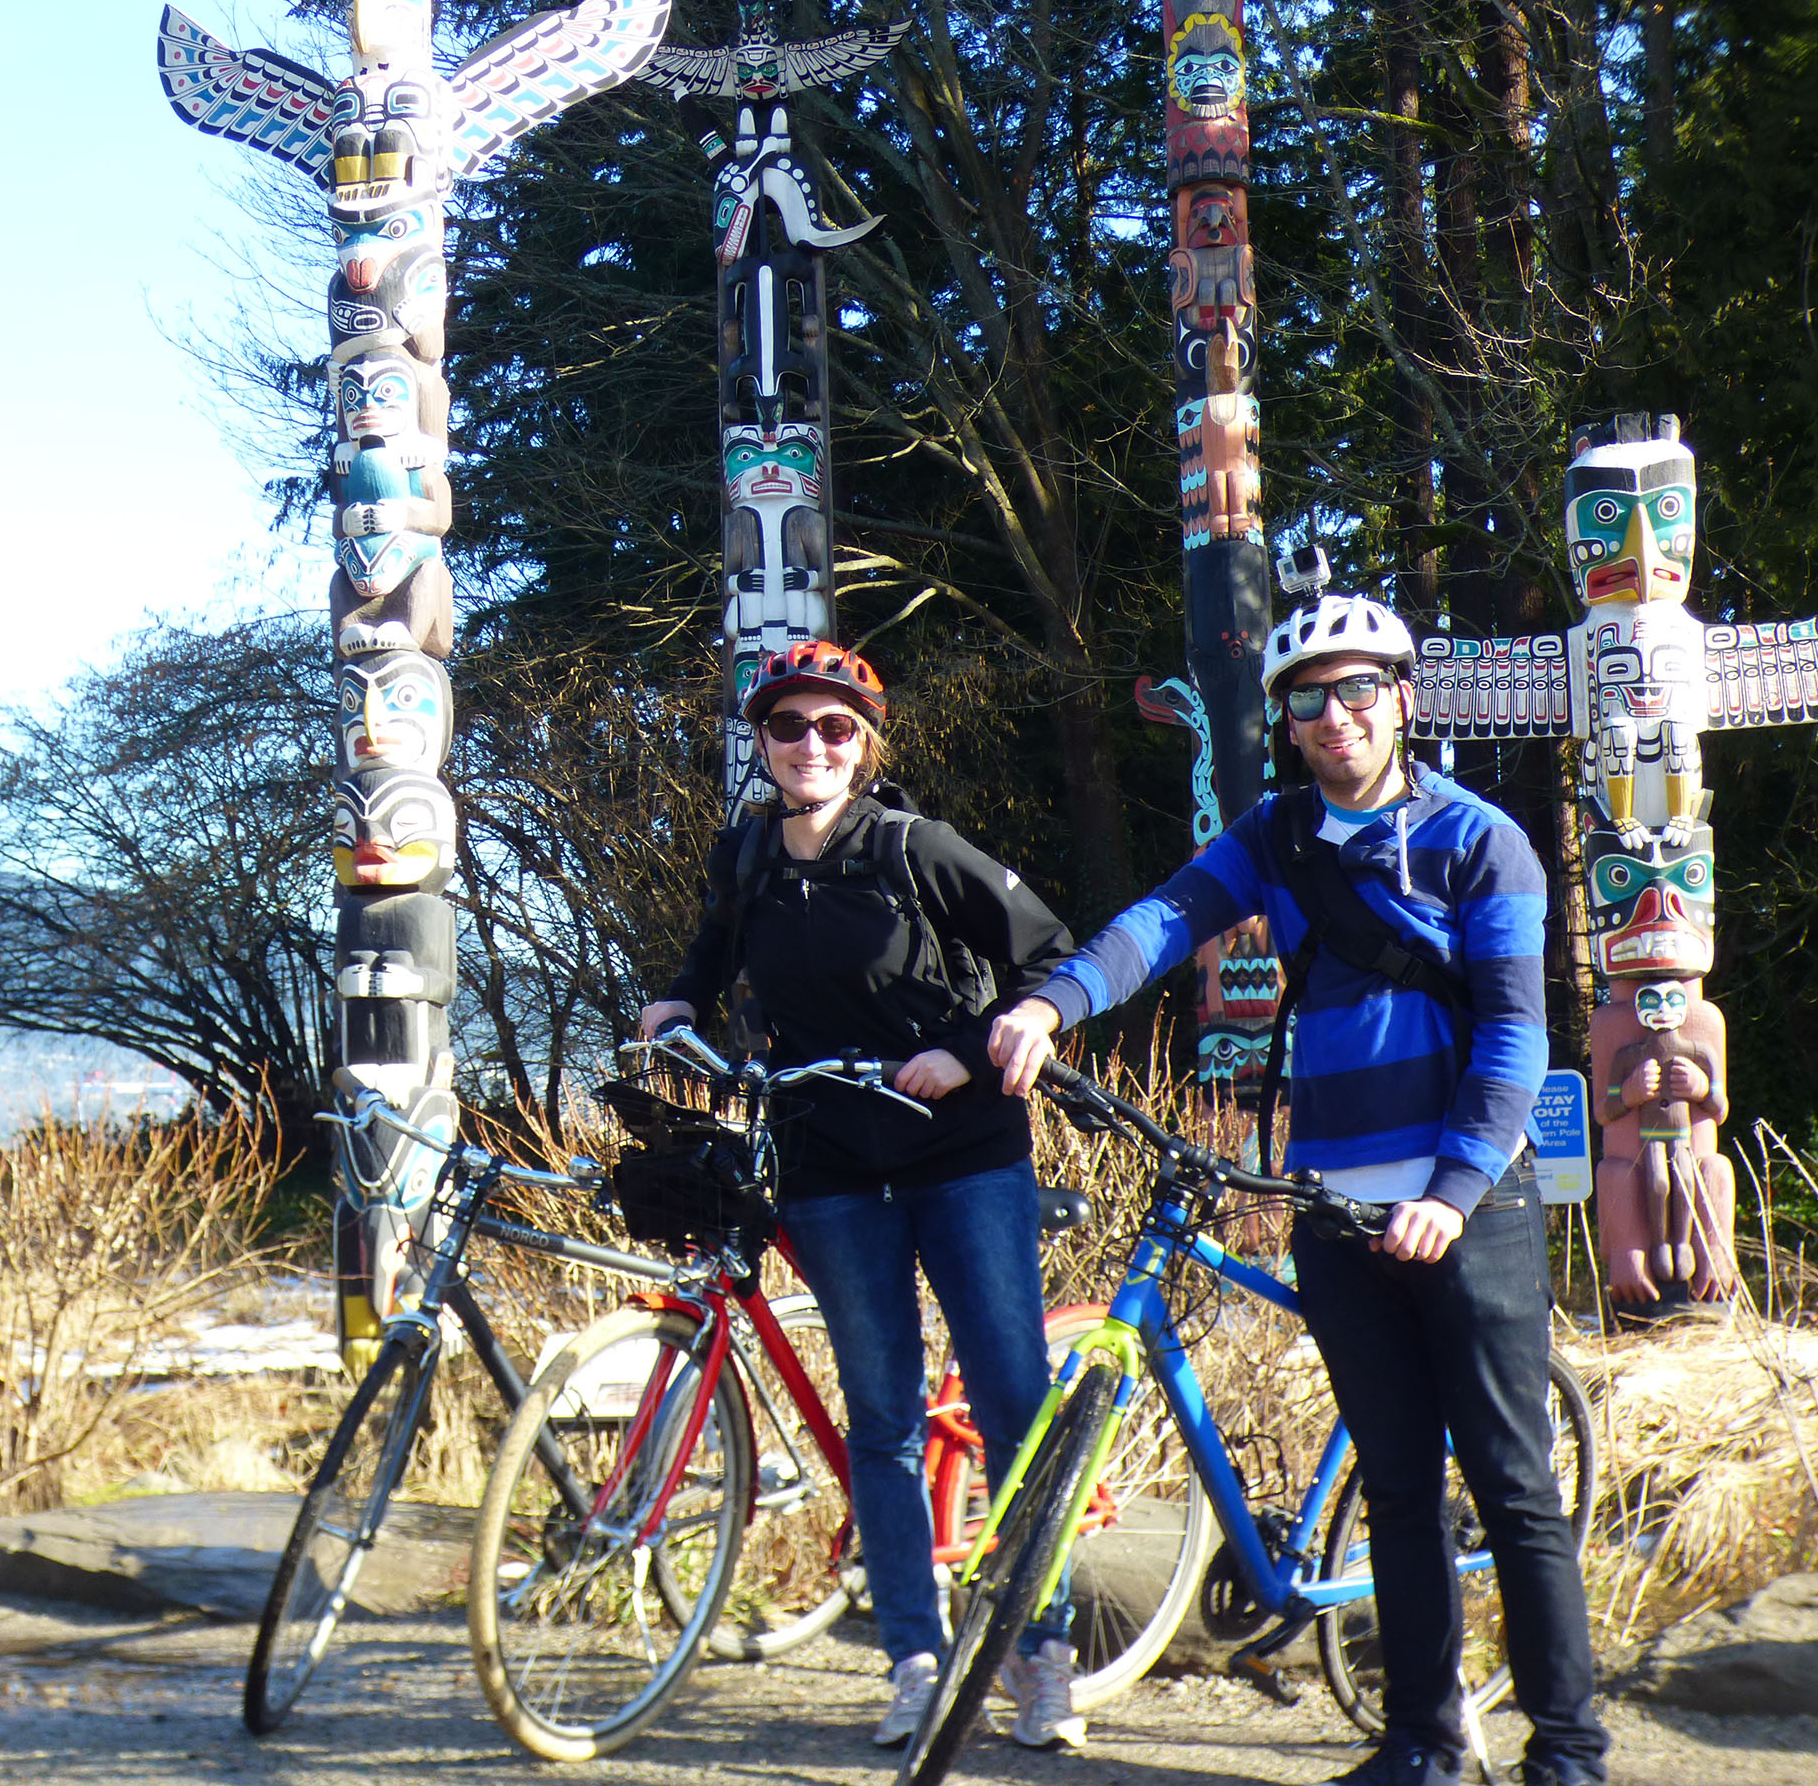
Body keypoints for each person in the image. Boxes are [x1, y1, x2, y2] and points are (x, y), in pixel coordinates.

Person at [985, 594, 1608, 1786]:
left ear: (1401, 697)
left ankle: (1567, 1750)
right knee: (1394, 1482)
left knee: (1511, 1483)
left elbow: (1518, 1039)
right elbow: (1160, 923)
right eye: (1309, 698)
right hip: (1331, 1205)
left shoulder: (1482, 840)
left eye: (1359, 688)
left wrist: (1457, 1185)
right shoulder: (1274, 837)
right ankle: (1421, 1739)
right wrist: (1048, 1003)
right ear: (1285, 722)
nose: (1337, 715)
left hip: (1462, 1204)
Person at [637, 640, 1084, 1750]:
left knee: (1012, 1403)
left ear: (866, 744)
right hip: (829, 1162)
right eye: (789, 727)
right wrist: (673, 1006)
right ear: (763, 745)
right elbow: (708, 957)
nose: (811, 746)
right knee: (879, 1420)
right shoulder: (746, 857)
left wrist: (969, 1054)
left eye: (835, 728)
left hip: (962, 1151)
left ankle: (1040, 1653)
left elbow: (1048, 959)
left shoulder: (913, 847)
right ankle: (914, 1660)